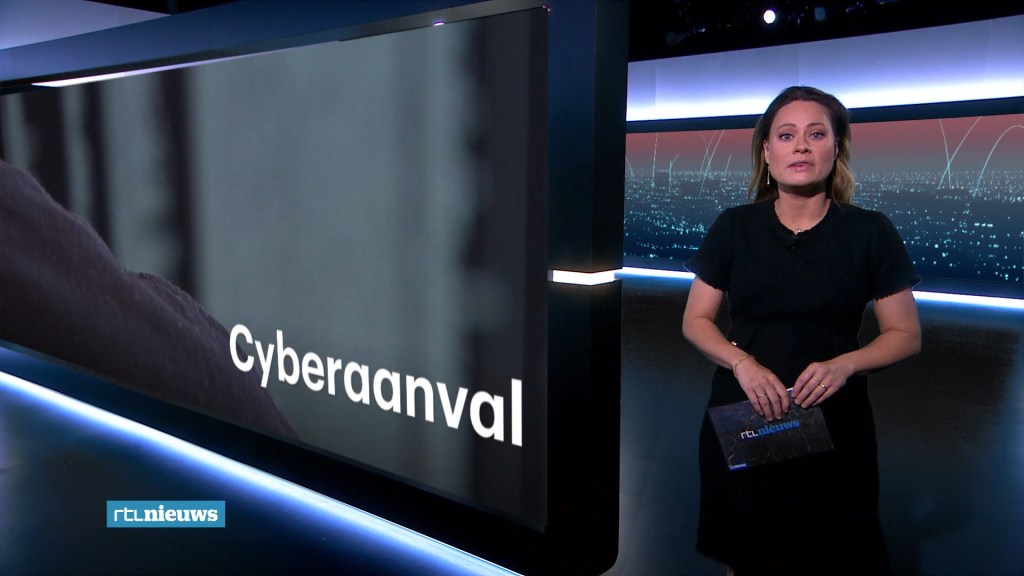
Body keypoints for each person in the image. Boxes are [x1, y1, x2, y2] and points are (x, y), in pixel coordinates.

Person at [681, 86, 921, 575]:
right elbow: (695, 320)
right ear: (767, 152)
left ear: (837, 148)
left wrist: (845, 365)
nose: (802, 147)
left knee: (832, 553)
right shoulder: (734, 227)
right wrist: (742, 363)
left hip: (834, 420)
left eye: (817, 134)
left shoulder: (870, 232)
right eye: (787, 135)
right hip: (746, 414)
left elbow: (905, 333)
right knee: (747, 552)